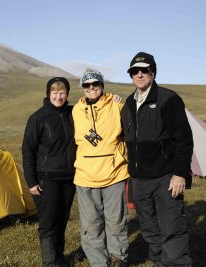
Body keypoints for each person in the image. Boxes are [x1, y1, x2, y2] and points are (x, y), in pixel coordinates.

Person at [121, 52, 193, 266]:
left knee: (171, 227)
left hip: (166, 177)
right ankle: (158, 262)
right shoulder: (128, 102)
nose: (140, 74)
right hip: (139, 178)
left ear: (153, 72)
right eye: (135, 71)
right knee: (150, 228)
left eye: (144, 70)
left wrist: (180, 173)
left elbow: (183, 139)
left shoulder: (168, 99)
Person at [73, 71, 129, 267]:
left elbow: (132, 133)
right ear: (82, 88)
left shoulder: (117, 105)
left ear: (102, 85)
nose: (91, 88)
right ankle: (98, 263)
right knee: (90, 225)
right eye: (86, 85)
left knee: (116, 222)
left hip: (114, 173)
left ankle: (118, 259)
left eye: (95, 84)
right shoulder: (76, 111)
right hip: (85, 176)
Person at [22, 77, 76, 266]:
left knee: (62, 220)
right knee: (48, 222)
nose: (58, 96)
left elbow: (93, 106)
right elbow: (28, 151)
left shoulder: (73, 113)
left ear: (67, 94)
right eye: (54, 92)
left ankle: (59, 258)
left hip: (69, 178)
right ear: (48, 94)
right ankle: (49, 262)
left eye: (62, 93)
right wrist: (31, 181)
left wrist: (113, 99)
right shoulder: (38, 118)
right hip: (46, 178)